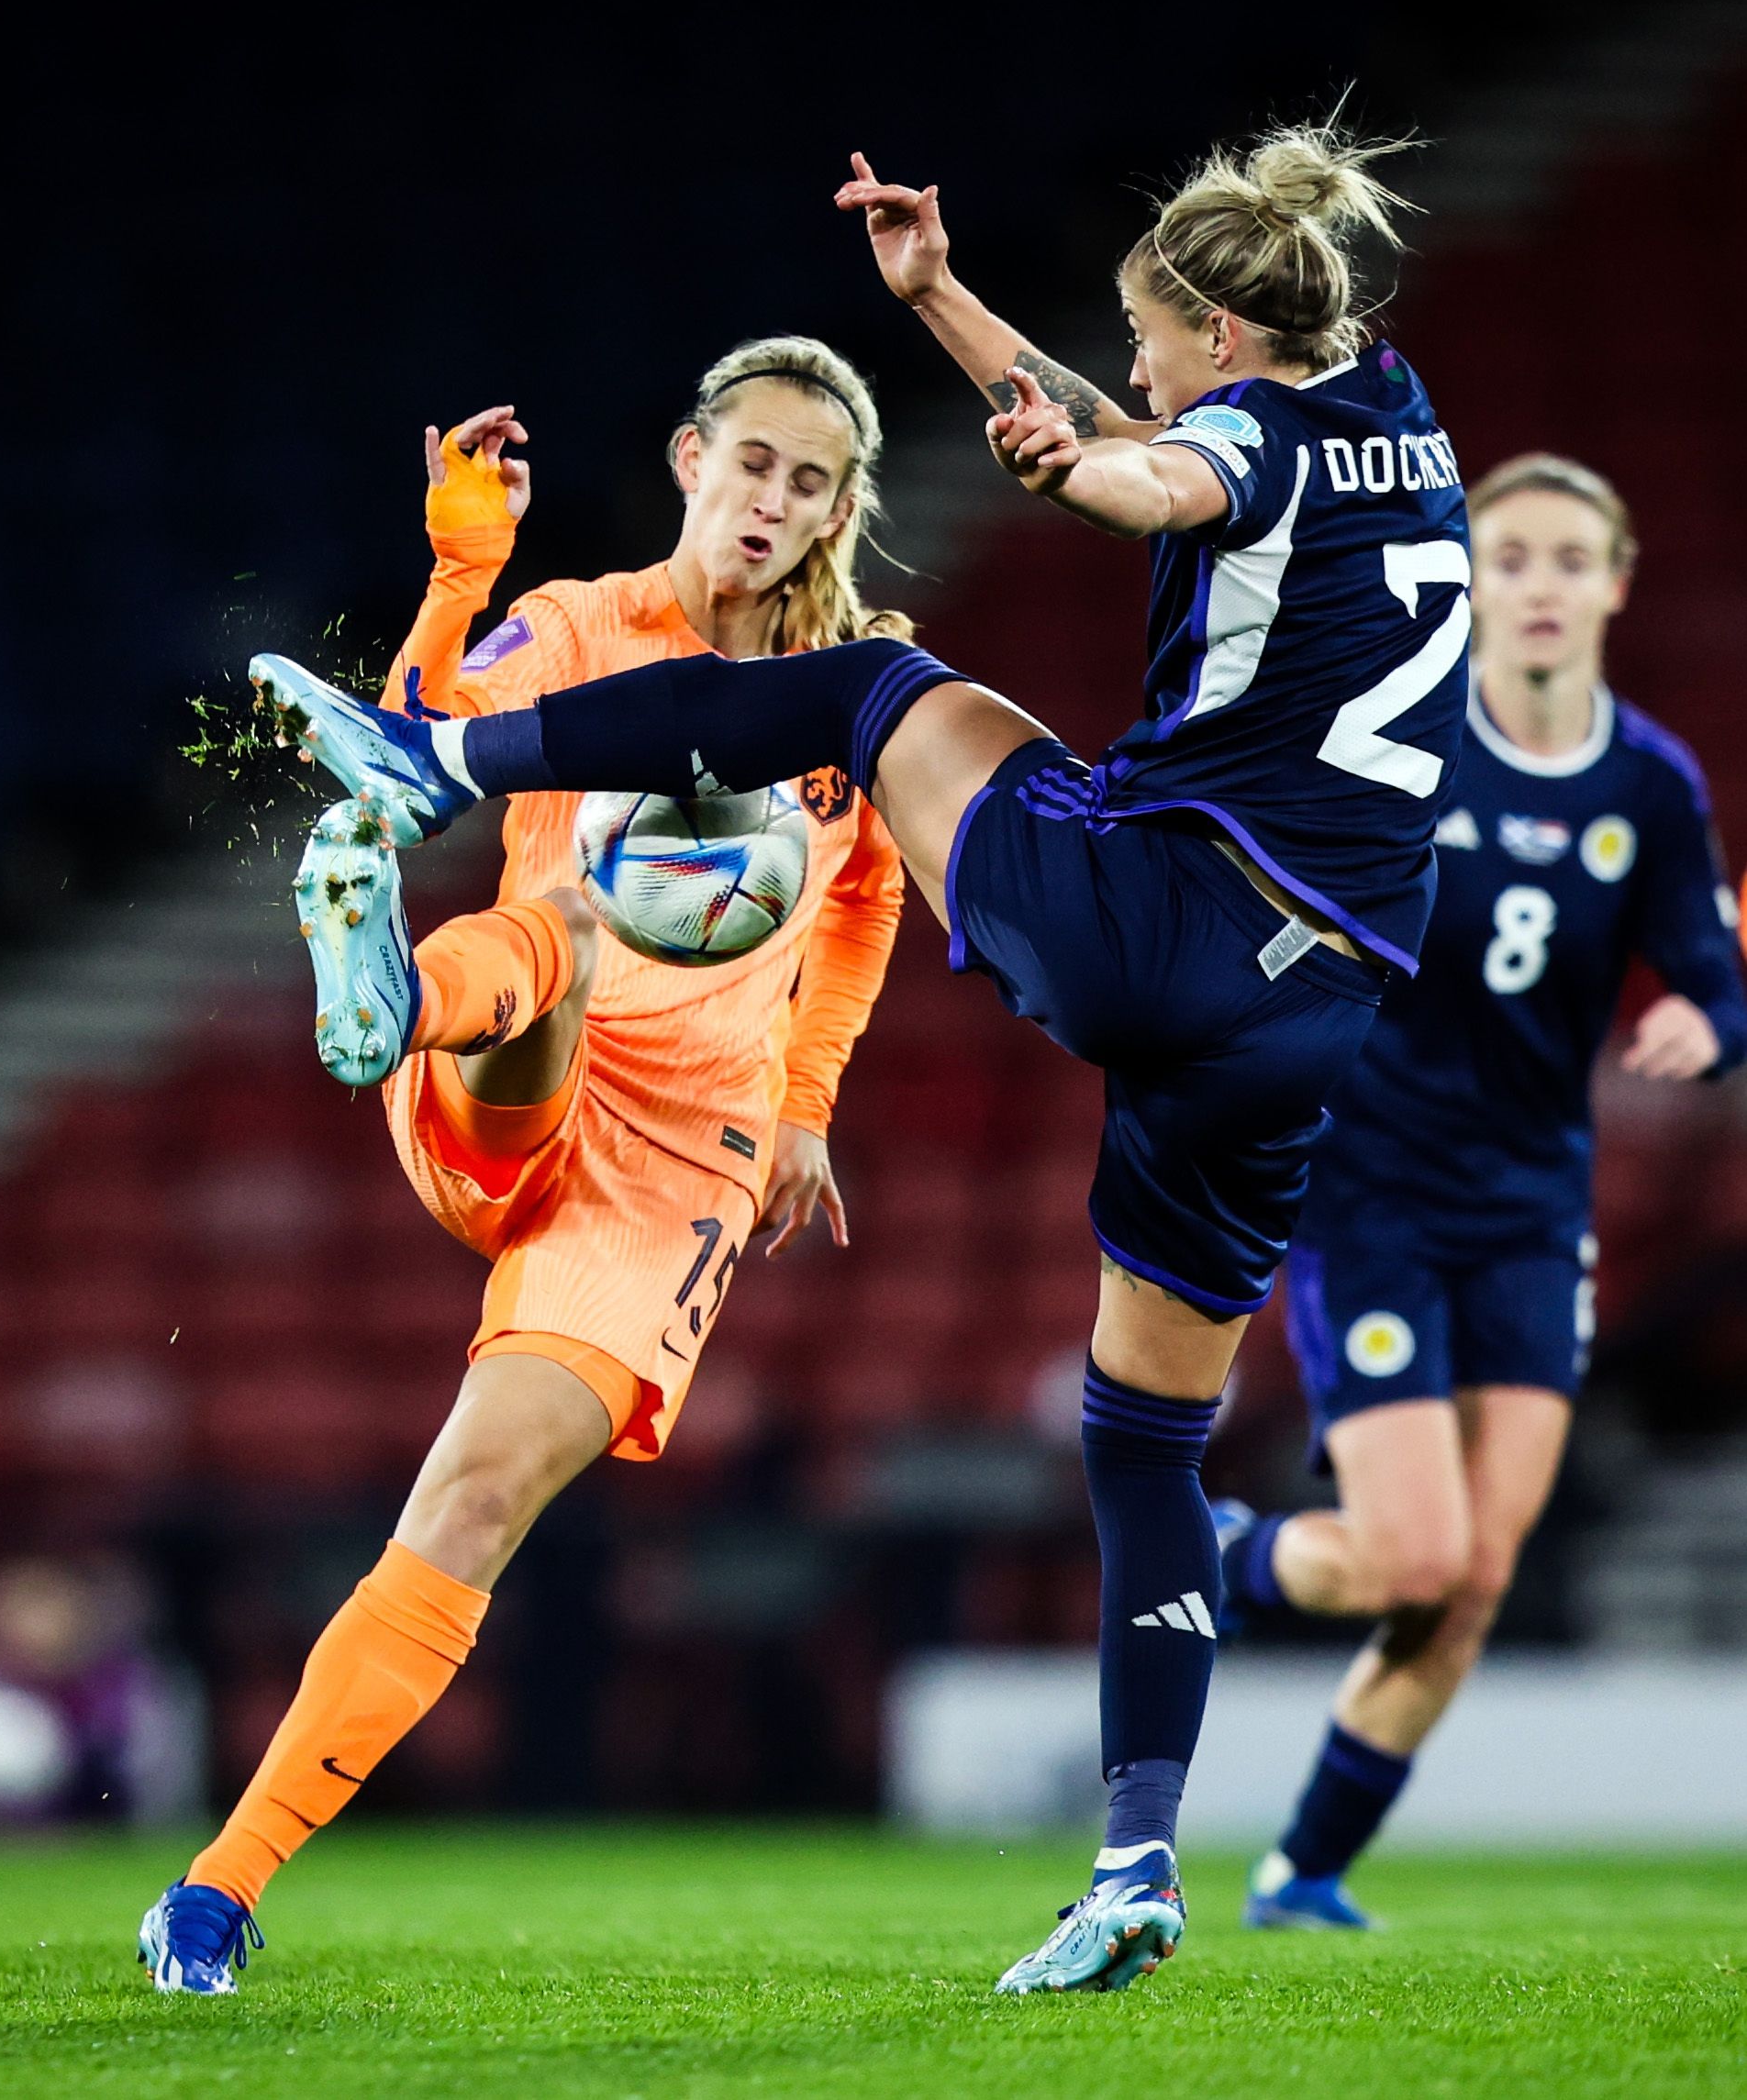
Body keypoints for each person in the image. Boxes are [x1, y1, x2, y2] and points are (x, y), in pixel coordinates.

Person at [250, 119, 1470, 1994]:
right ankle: (1136, 1858)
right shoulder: (1391, 408)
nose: (1130, 366)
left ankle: (437, 775)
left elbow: (1158, 474)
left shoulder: (1231, 440)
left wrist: (1085, 474)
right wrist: (948, 307)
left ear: (1222, 338)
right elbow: (1159, 437)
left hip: (1166, 923)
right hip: (1312, 1015)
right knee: (1145, 1430)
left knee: (868, 685)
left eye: (1148, 339)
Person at [139, 337, 908, 1994]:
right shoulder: (574, 624)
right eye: (750, 461)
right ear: (692, 461)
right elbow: (410, 746)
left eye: (808, 480)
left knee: (474, 1501)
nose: (771, 500)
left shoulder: (857, 691)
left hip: (676, 1165)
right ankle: (389, 999)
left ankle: (216, 1889)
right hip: (506, 1061)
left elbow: (865, 896)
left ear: (838, 509)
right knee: (577, 909)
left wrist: (808, 1100)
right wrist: (460, 565)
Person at [1204, 452, 1747, 1925]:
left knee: (1475, 1575)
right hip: (1372, 1194)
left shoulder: (1651, 784)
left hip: (1532, 1215)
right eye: (1511, 559)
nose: (1542, 586)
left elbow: (1714, 976)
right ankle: (1216, 1554)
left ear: (1617, 583)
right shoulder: (1404, 741)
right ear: (1471, 585)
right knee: (1413, 1553)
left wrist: (1709, 1028)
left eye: (1572, 559)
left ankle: (1304, 1870)